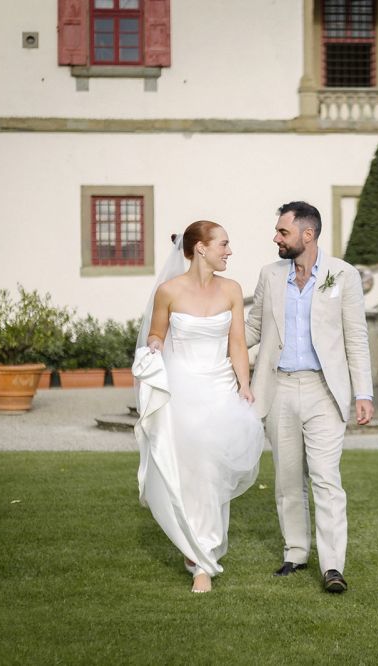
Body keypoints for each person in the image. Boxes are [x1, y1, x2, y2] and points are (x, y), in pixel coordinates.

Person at [245, 201, 374, 594]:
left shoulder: (343, 275)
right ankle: (295, 553)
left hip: (324, 390)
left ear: (308, 234)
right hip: (278, 387)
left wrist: (363, 392)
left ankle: (333, 566)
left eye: (282, 232)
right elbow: (253, 328)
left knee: (325, 477)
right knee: (286, 479)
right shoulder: (270, 275)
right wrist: (209, 349)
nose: (276, 238)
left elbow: (355, 336)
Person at [132, 221, 265, 594]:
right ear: (201, 248)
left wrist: (244, 384)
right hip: (182, 389)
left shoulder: (233, 290)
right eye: (223, 244)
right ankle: (195, 553)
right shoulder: (168, 291)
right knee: (189, 473)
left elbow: (237, 342)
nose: (229, 251)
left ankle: (203, 559)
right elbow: (156, 332)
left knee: (211, 470)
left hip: (220, 388)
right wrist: (155, 346)